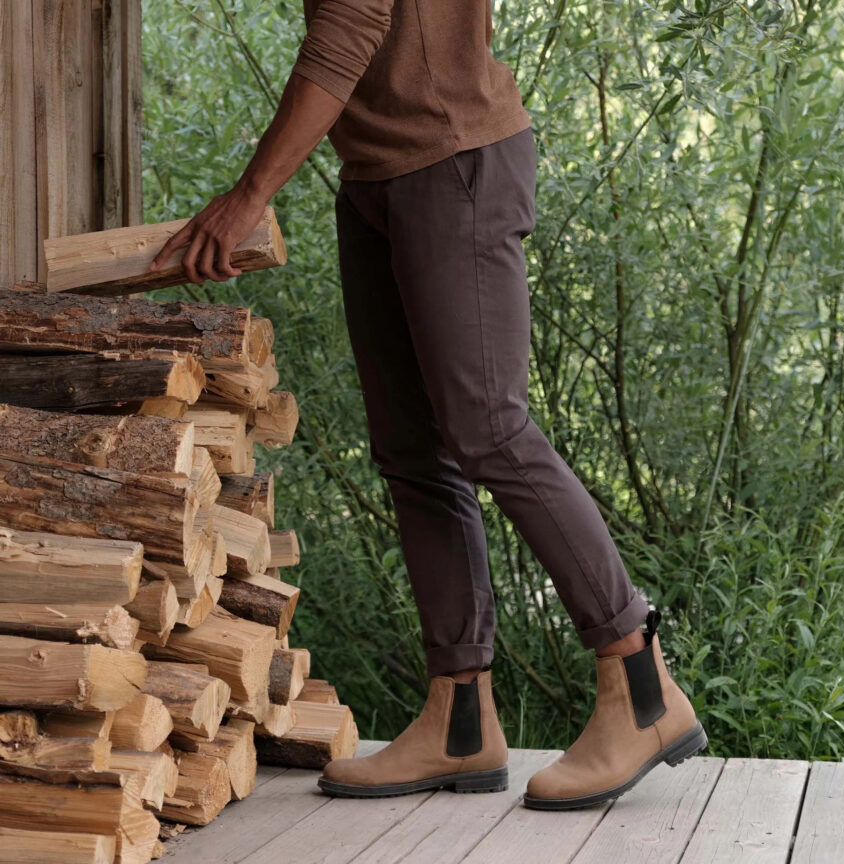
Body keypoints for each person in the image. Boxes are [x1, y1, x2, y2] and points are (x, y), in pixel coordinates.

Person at [152, 0, 706, 810]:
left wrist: (249, 195)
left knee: (491, 429)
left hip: (456, 162)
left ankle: (641, 686)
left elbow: (345, 33)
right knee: (413, 454)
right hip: (380, 174)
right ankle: (459, 718)